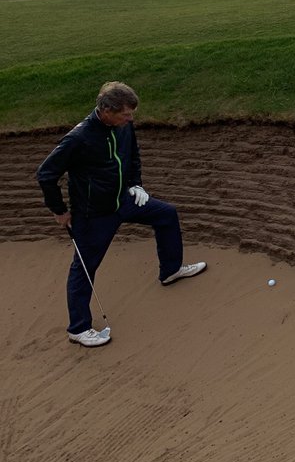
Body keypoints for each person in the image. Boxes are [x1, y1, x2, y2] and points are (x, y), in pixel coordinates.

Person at [37, 81, 207, 348]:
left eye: (131, 114)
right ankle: (78, 329)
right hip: (94, 214)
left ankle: (170, 270)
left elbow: (132, 155)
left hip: (124, 201)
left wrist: (136, 184)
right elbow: (45, 175)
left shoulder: (123, 126)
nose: (130, 119)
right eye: (125, 114)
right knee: (84, 267)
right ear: (106, 110)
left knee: (167, 215)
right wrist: (59, 210)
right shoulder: (78, 138)